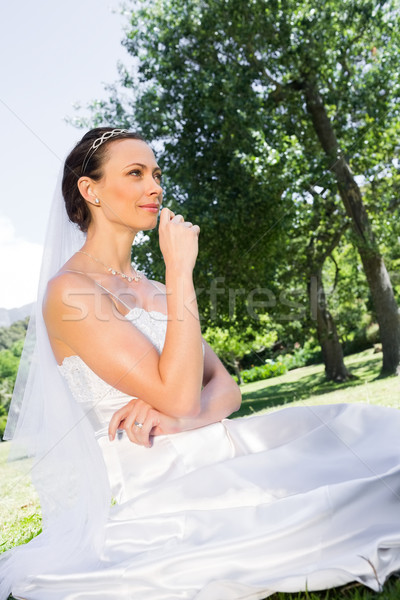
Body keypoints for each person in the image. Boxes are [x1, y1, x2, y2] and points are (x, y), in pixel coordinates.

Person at [1, 127, 400, 600]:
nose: (155, 186)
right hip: (153, 474)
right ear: (91, 191)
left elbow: (226, 390)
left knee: (354, 427)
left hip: (214, 442)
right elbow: (182, 391)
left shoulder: (154, 287)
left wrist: (173, 415)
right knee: (337, 503)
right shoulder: (70, 292)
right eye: (135, 173)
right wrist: (180, 271)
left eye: (156, 173)